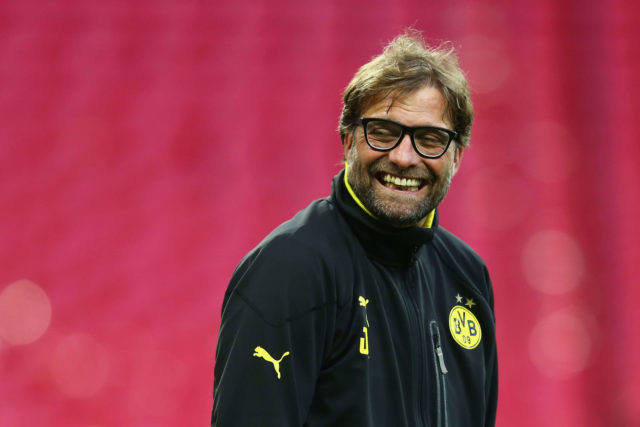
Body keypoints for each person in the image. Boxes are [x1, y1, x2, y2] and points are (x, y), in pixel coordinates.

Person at [212, 31, 498, 427]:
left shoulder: (467, 277)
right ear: (347, 140)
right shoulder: (289, 270)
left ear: (457, 156)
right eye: (382, 132)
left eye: (430, 140)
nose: (402, 157)